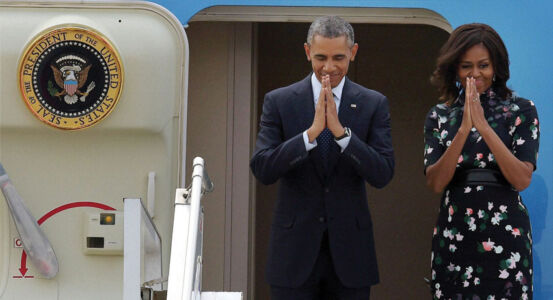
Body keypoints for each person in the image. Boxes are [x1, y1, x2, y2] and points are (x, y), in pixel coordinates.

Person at [250, 16, 394, 299]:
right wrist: (310, 134)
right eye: (321, 57)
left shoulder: (373, 103)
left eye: (339, 57)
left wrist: (342, 135)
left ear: (353, 53)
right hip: (293, 255)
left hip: (351, 256)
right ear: (307, 52)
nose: (329, 67)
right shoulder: (279, 101)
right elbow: (263, 167)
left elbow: (383, 172)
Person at [424, 23, 539, 299]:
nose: (475, 74)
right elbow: (436, 182)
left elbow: (522, 178)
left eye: (483, 65)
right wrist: (464, 129)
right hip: (455, 232)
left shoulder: (521, 109)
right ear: (455, 69)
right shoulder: (440, 114)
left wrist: (484, 128)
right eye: (466, 66)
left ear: (496, 67)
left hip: (505, 233)